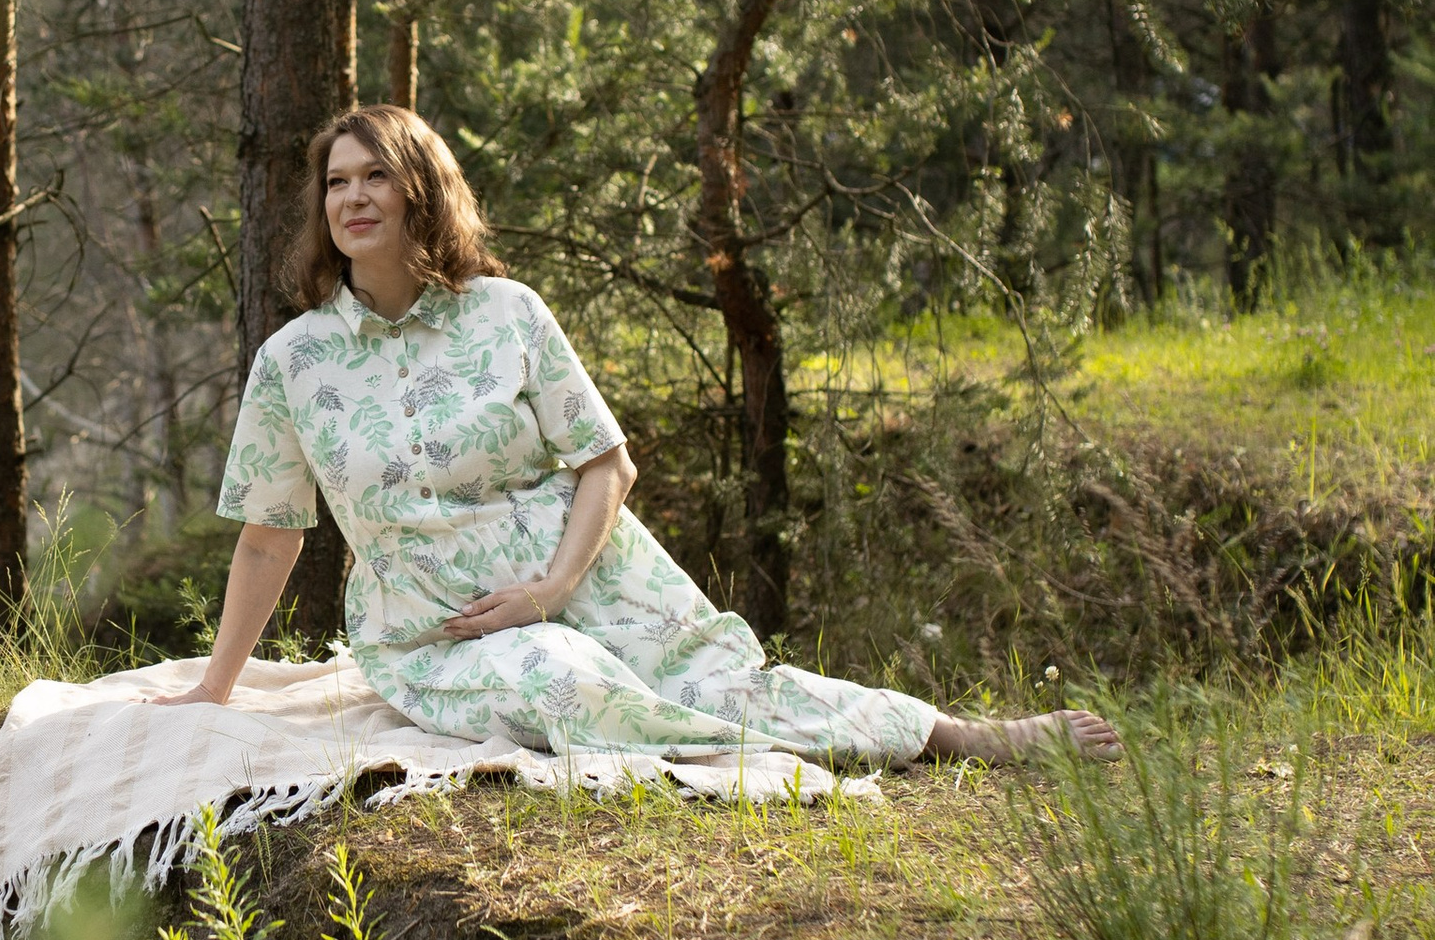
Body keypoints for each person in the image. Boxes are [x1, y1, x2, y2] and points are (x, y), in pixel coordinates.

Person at [163, 105, 1121, 771]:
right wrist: (216, 688)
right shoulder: (295, 363)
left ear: (423, 193)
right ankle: (773, 756)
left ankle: (957, 736)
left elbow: (605, 463)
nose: (354, 197)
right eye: (337, 182)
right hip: (438, 630)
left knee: (728, 680)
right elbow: (268, 534)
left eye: (378, 175)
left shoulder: (508, 312)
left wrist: (553, 588)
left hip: (587, 571)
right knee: (568, 682)